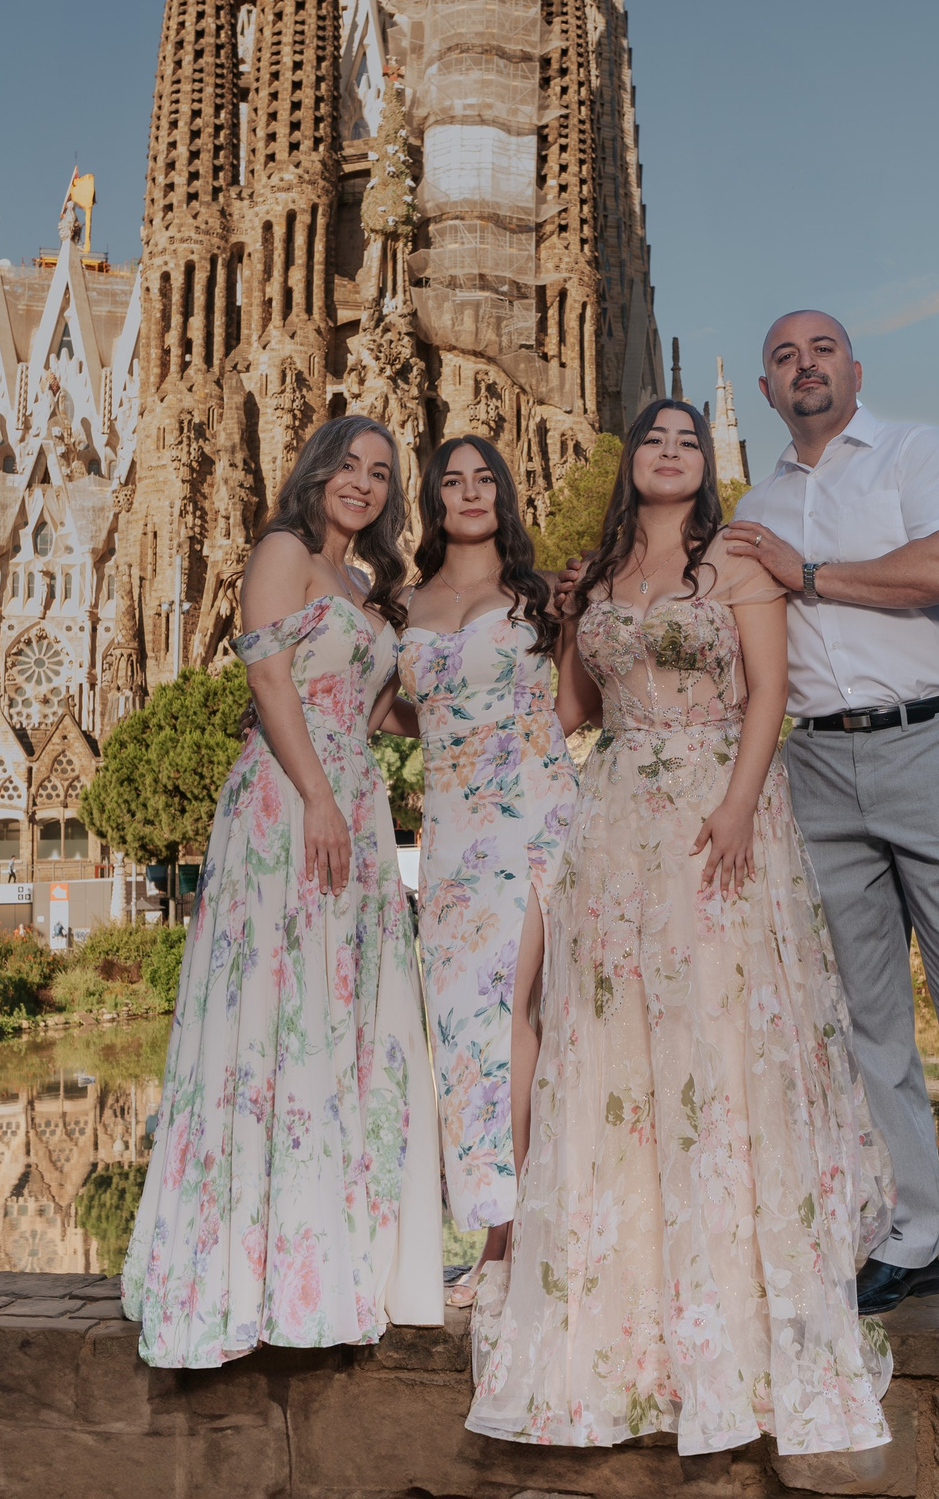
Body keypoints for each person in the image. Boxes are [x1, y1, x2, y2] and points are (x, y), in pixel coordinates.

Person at [466, 399, 895, 1457]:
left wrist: (741, 803)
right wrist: (461, 691)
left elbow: (768, 695)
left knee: (716, 1034)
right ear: (632, 464)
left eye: (687, 440)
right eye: (654, 439)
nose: (670, 451)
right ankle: (625, 1332)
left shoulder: (738, 559)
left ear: (706, 464)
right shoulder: (596, 578)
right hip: (613, 827)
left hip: (716, 810)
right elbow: (570, 710)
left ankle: (734, 1320)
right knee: (615, 1047)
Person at [715, 310, 939, 1341]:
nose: (804, 366)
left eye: (820, 348)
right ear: (768, 385)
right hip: (816, 762)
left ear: (853, 368)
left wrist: (812, 575)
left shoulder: (917, 451)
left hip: (928, 745)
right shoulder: (756, 502)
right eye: (783, 356)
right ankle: (907, 1237)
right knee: (865, 1022)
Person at [118, 415, 445, 1367]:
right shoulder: (284, 551)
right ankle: (251, 1272)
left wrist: (482, 703)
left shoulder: (361, 587)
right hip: (292, 802)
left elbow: (383, 710)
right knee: (277, 1007)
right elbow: (268, 676)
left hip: (355, 807)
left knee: (340, 1016)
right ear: (317, 470)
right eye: (350, 464)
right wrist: (316, 798)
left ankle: (329, 1262)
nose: (365, 483)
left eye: (382, 473)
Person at [386, 435, 578, 1305]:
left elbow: (579, 703)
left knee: (513, 1019)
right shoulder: (405, 604)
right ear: (434, 502)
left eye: (483, 479)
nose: (469, 492)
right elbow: (389, 711)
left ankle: (515, 1242)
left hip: (534, 820)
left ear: (503, 494)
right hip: (452, 837)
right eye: (451, 482)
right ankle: (499, 1223)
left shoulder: (539, 597)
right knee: (461, 1033)